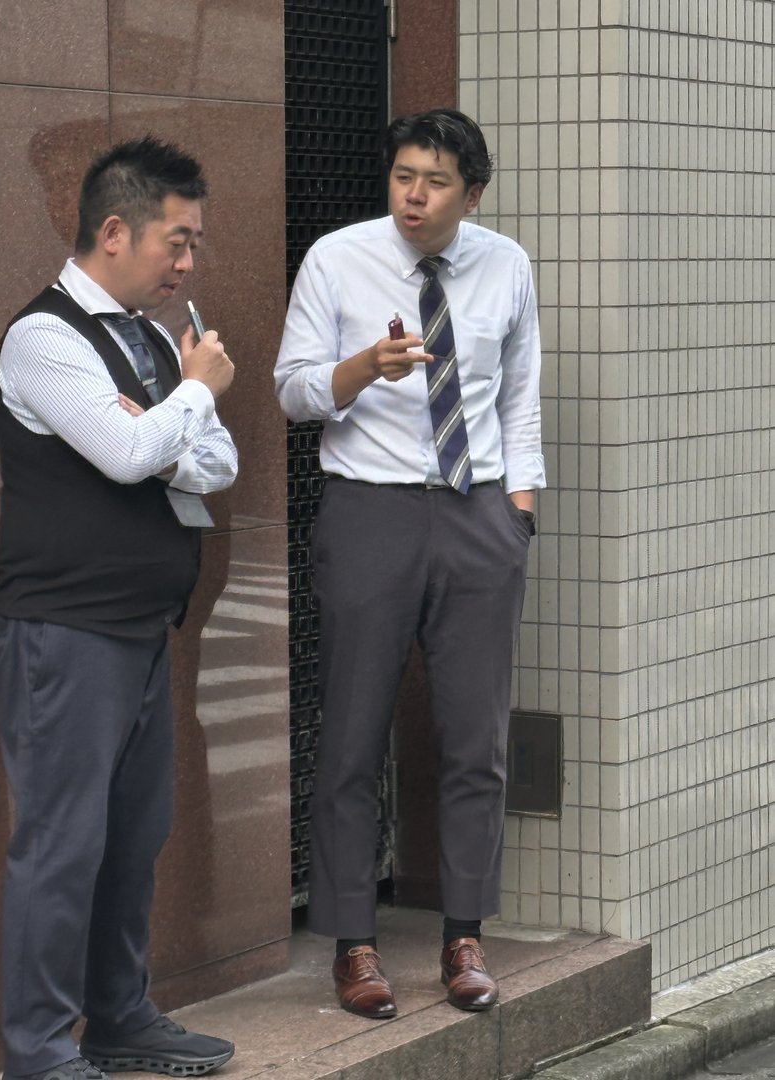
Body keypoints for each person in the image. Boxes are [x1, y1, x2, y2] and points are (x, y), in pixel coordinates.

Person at [274, 108, 545, 1019]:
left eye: (434, 181)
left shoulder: (505, 264)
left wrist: (519, 506)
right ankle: (354, 945)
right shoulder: (337, 258)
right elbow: (292, 389)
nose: (414, 196)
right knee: (352, 733)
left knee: (477, 739)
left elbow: (519, 391)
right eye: (402, 176)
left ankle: (462, 937)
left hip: (478, 512)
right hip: (370, 511)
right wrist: (363, 369)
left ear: (472, 193)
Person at [0, 136, 238, 1080]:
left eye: (198, 244)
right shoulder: (44, 337)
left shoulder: (144, 337)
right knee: (60, 851)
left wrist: (171, 419)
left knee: (134, 839)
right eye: (177, 242)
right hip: (63, 634)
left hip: (139, 632)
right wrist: (194, 396)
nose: (188, 263)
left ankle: (121, 1016)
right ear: (115, 230)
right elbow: (132, 457)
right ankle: (40, 1056)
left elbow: (213, 467)